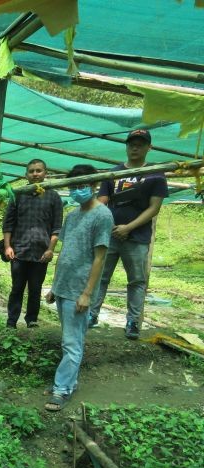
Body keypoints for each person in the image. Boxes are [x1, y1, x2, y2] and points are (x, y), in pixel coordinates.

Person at [44, 164, 114, 411]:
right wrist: (54, 286)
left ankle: (62, 389)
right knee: (70, 339)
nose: (77, 190)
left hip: (79, 289)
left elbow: (100, 258)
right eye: (73, 186)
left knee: (72, 343)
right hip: (64, 285)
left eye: (82, 185)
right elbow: (65, 252)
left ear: (94, 185)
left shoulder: (103, 215)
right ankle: (68, 383)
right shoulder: (72, 215)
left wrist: (87, 293)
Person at [89, 129, 168, 339]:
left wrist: (128, 227)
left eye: (140, 144)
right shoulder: (113, 173)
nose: (135, 147)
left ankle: (133, 321)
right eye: (132, 143)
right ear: (126, 146)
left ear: (149, 147)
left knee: (136, 280)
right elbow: (102, 201)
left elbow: (154, 207)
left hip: (137, 237)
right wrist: (106, 223)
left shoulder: (155, 173)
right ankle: (92, 315)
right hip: (110, 234)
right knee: (100, 276)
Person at [2, 158, 63, 329]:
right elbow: (8, 223)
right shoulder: (18, 195)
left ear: (45, 173)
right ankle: (11, 321)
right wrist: (7, 246)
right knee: (17, 287)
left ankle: (32, 320)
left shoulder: (53, 196)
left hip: (41, 252)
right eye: (31, 171)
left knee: (35, 288)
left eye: (38, 170)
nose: (35, 174)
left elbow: (57, 227)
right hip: (19, 251)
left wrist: (50, 249)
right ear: (26, 174)